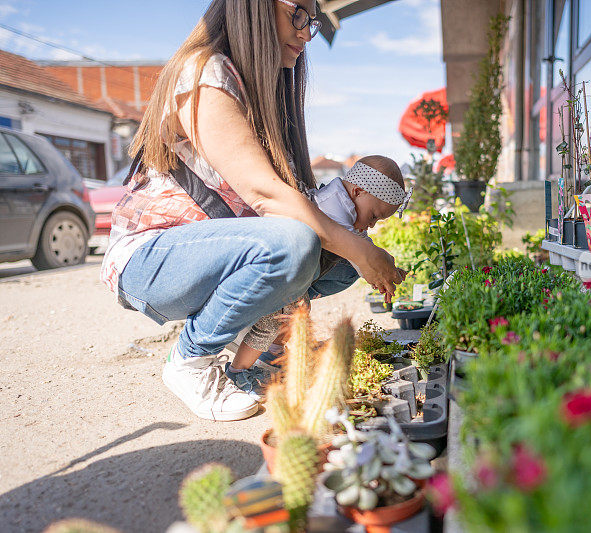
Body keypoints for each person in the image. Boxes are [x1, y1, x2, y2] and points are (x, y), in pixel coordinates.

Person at [100, 0, 405, 422]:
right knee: (299, 242)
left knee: (339, 262)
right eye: (297, 14)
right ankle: (191, 361)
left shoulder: (261, 91)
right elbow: (267, 195)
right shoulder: (206, 71)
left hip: (211, 257)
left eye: (312, 21)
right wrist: (358, 246)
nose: (306, 32)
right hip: (149, 259)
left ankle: (260, 337)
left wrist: (351, 253)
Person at [227, 155, 410, 400]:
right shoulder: (330, 206)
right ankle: (238, 371)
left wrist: (384, 271)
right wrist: (375, 267)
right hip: (279, 273)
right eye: (374, 215)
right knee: (273, 320)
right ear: (357, 191)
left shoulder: (344, 204)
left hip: (295, 274)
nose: (373, 225)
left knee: (293, 311)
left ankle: (272, 351)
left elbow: (359, 245)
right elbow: (355, 247)